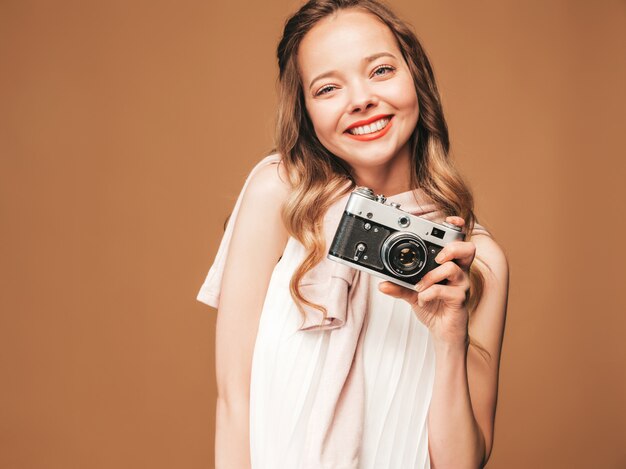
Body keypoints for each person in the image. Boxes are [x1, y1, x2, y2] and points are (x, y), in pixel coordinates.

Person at [196, 1, 509, 468]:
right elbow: (233, 403)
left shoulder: (473, 259)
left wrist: (450, 339)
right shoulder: (278, 197)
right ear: (305, 110)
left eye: (380, 70)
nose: (360, 99)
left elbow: (461, 465)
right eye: (327, 88)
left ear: (415, 78)